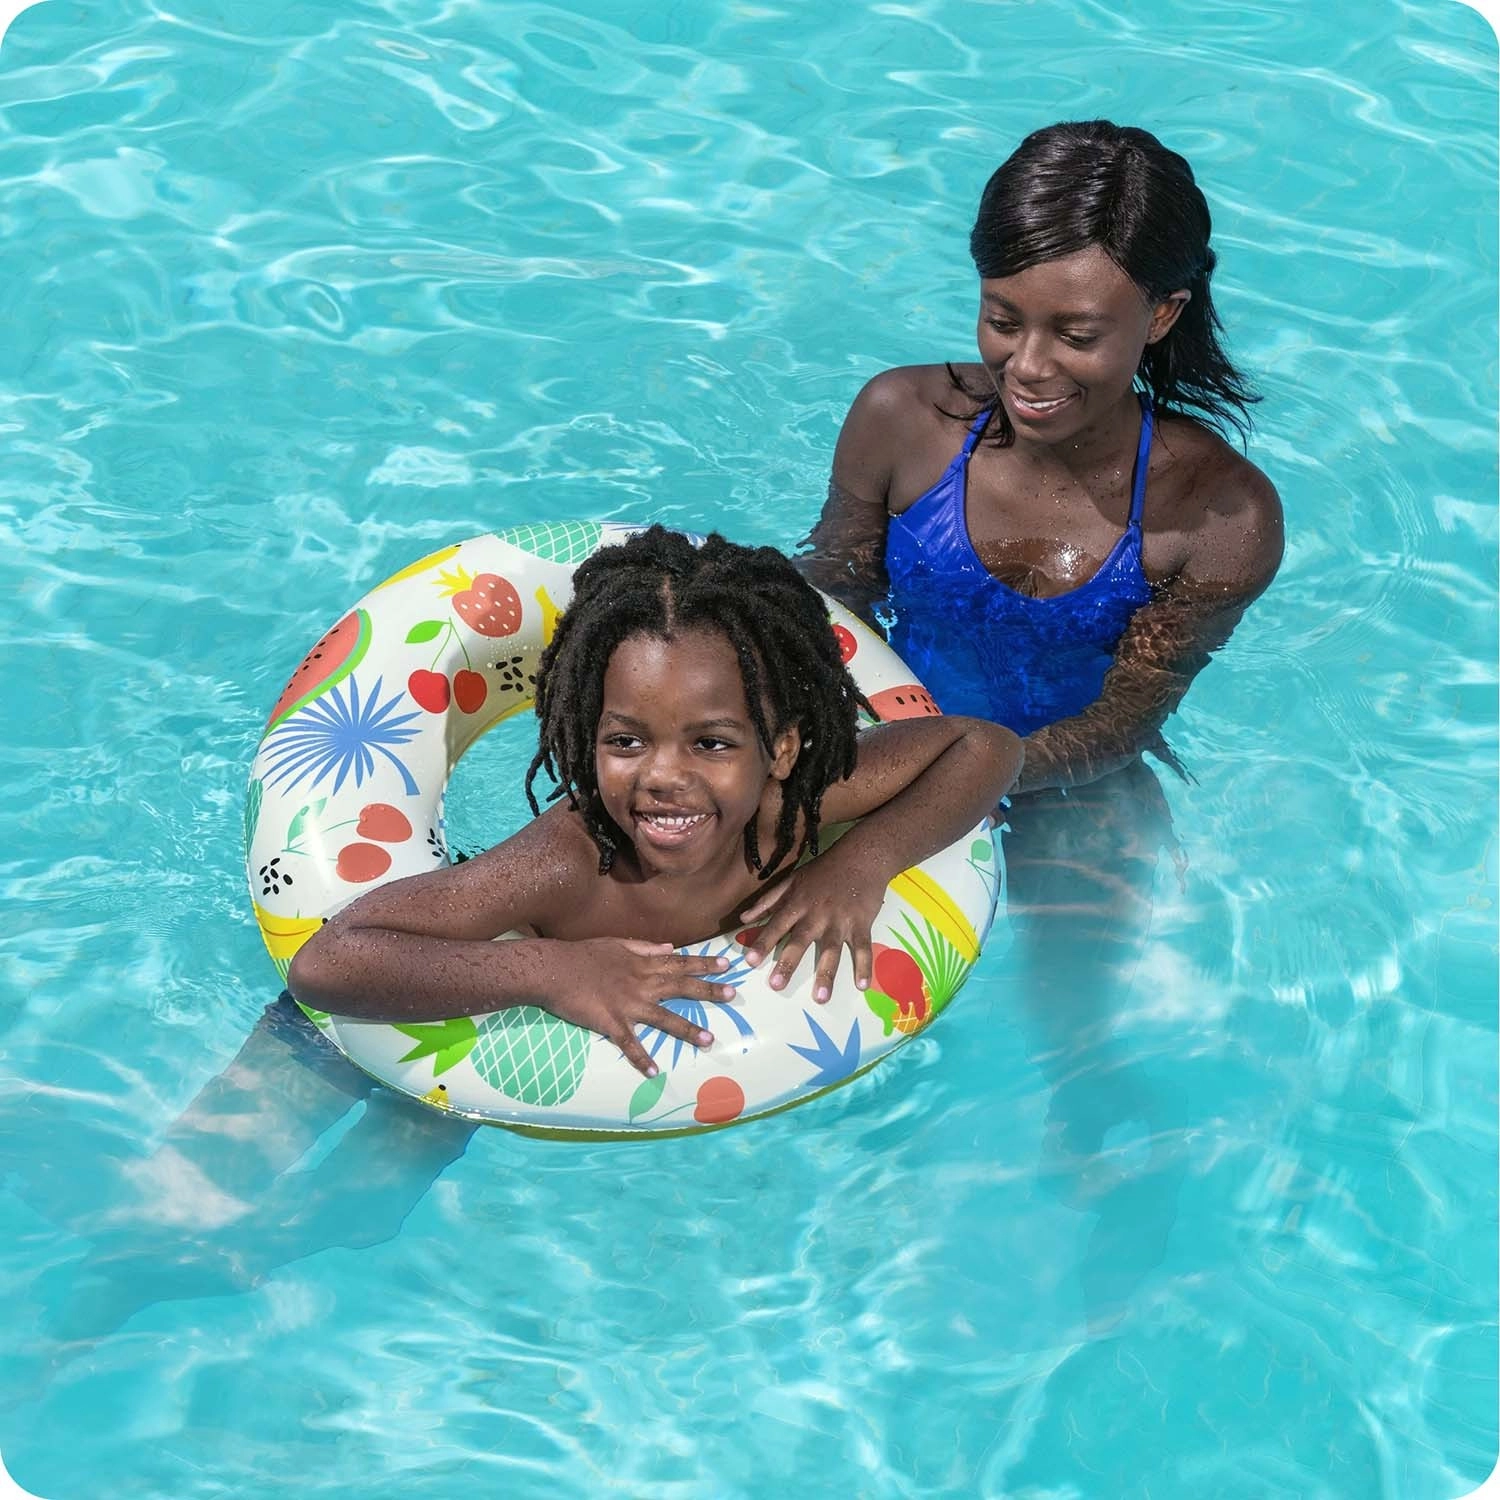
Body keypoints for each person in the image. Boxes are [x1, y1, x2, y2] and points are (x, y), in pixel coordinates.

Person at [797, 120, 1284, 1327]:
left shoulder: (1219, 515)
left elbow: (1123, 720)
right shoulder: (904, 420)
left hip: (1072, 789)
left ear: (1161, 315)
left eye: (1075, 333)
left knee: (1076, 1035)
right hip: (882, 748)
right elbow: (835, 593)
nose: (1027, 365)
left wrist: (958, 780)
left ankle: (1120, 1260)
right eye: (1001, 317)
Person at [289, 526, 1022, 1077]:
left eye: (712, 743)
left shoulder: (795, 803)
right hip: (412, 1023)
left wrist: (861, 864)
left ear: (782, 750)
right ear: (589, 740)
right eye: (627, 741)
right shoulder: (569, 863)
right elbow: (328, 961)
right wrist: (549, 971)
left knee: (403, 1171)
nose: (663, 776)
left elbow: (985, 746)